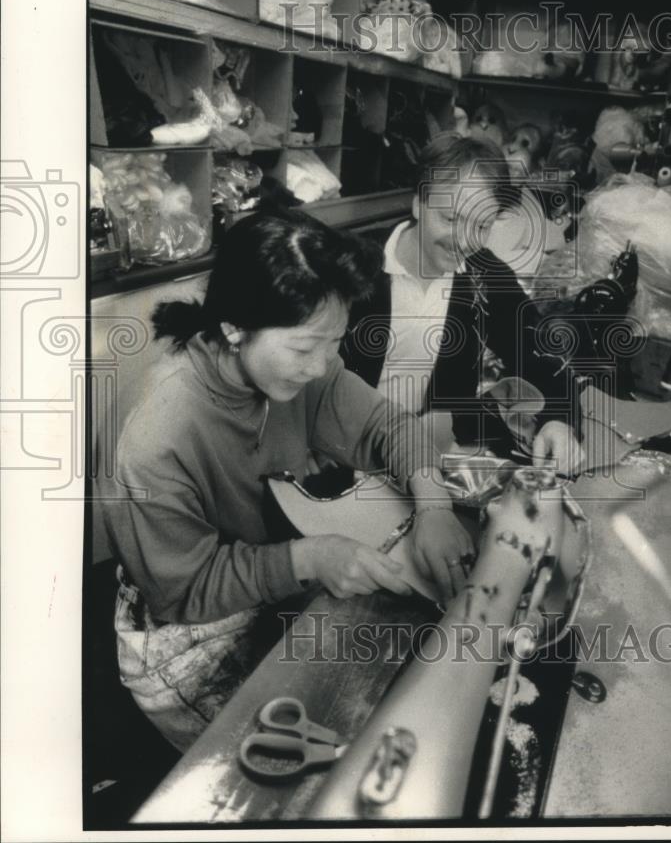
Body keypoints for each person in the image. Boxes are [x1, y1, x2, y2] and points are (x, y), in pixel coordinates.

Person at [103, 207, 473, 752]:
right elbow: (185, 590)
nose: (323, 366)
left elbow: (386, 426)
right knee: (294, 773)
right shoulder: (158, 439)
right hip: (181, 634)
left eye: (335, 342)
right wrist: (311, 557)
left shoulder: (299, 370)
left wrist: (436, 505)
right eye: (306, 347)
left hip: (262, 568)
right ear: (234, 327)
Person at [341, 131, 583, 472]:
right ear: (417, 203)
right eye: (451, 219)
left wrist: (559, 420)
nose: (464, 241)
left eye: (481, 225)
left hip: (431, 457)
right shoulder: (353, 267)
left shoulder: (484, 275)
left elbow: (538, 350)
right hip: (345, 455)